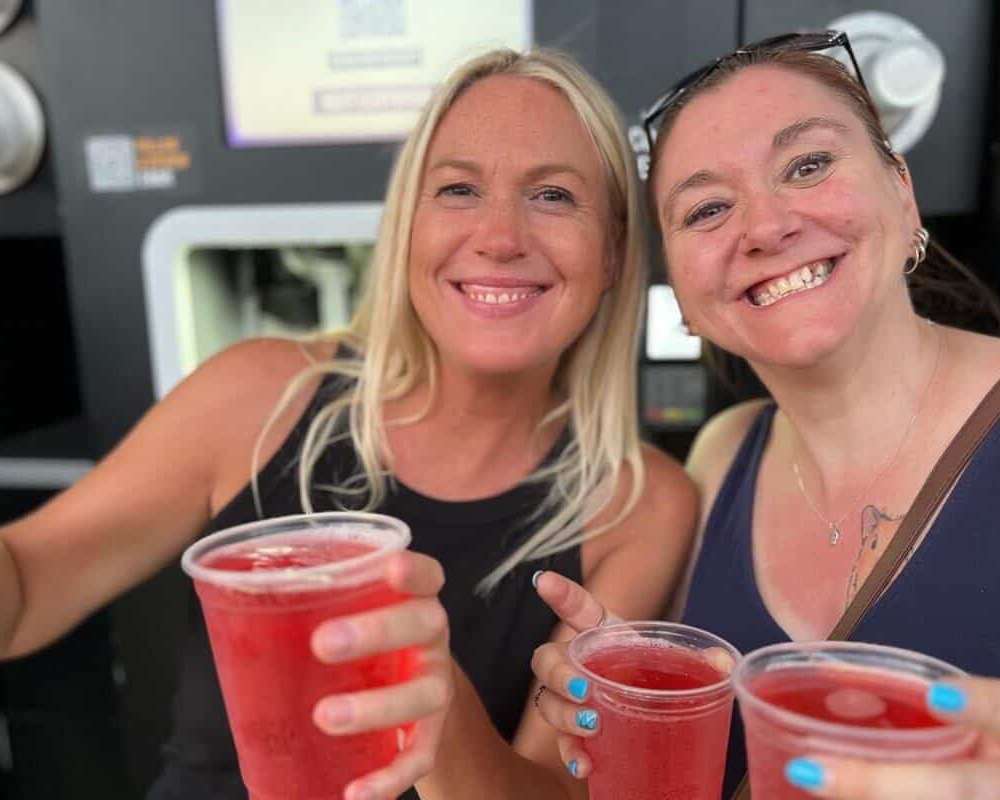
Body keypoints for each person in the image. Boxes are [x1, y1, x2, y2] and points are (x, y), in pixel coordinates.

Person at [0, 48, 696, 800]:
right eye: (458, 189)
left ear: (617, 253)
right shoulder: (258, 396)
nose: (500, 236)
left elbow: (549, 794)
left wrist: (437, 698)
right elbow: (29, 588)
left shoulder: (640, 505)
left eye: (554, 196)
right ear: (407, 228)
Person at [526, 32, 1000, 800]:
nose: (766, 226)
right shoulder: (720, 458)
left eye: (808, 165)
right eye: (708, 208)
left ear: (902, 190)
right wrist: (626, 698)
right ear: (678, 293)